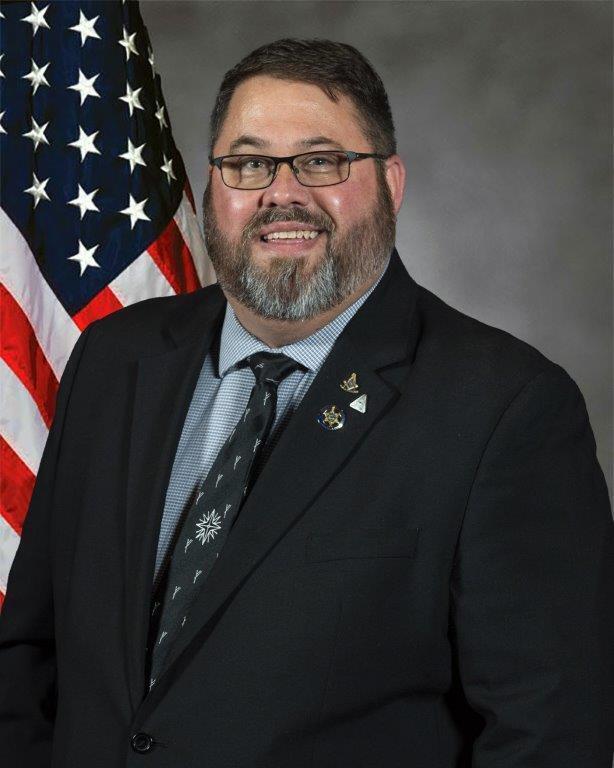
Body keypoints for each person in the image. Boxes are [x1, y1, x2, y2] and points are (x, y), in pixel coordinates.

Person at [0, 38, 612, 768]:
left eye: (321, 161)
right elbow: (28, 653)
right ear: (214, 183)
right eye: (249, 163)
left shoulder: (505, 409)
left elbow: (549, 735)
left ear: (391, 181)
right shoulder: (114, 360)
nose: (281, 193)